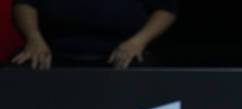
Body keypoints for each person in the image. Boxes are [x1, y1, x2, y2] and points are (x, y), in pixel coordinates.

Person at [11, 0, 176, 69]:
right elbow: (24, 4)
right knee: (19, 70)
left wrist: (138, 42)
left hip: (123, 52)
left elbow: (166, 10)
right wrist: (34, 38)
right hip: (52, 51)